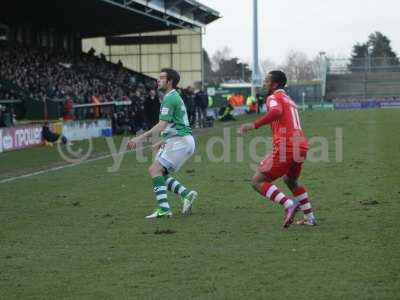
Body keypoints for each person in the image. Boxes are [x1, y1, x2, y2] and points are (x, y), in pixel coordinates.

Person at [239, 70, 316, 227]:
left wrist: (253, 125)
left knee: (257, 181)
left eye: (267, 81)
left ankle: (289, 204)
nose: (264, 83)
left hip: (286, 146)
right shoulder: (290, 100)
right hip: (301, 146)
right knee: (290, 180)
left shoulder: (273, 97)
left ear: (274, 84)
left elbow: (276, 111)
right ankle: (310, 218)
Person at [128, 68, 197, 219]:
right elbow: (176, 123)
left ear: (170, 81)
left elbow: (162, 125)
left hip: (180, 141)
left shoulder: (170, 98)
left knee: (154, 169)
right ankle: (187, 194)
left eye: (161, 78)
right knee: (160, 172)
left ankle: (164, 209)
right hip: (181, 140)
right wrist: (164, 140)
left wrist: (139, 138)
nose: (158, 80)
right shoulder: (173, 97)